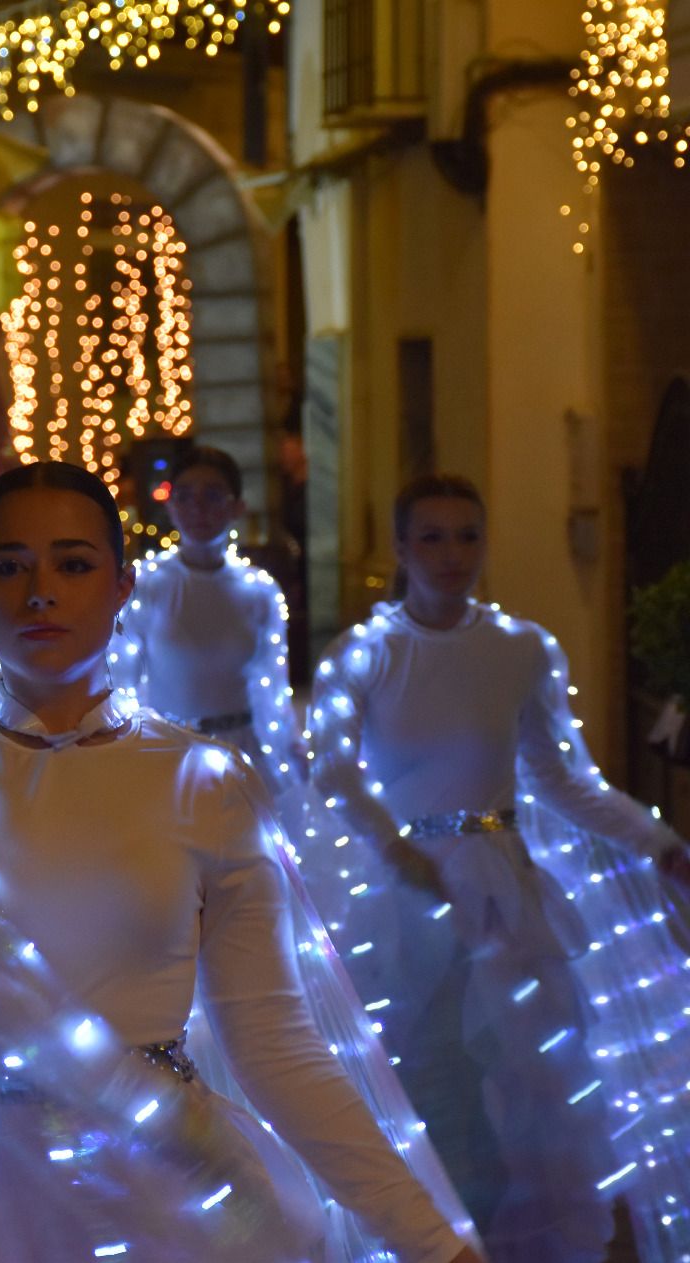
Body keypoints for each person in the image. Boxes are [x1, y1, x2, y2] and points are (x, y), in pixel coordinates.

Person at [0, 461, 483, 1262]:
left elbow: (276, 1040)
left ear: (121, 583)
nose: (41, 591)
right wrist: (163, 1113)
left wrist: (435, 1242)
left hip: (168, 1201)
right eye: (10, 566)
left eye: (73, 564)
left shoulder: (202, 779)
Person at [304, 473, 690, 1262]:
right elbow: (333, 768)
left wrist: (660, 844)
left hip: (504, 887)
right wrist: (396, 849)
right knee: (423, 1068)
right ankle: (438, 1234)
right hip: (403, 891)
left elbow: (562, 777)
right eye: (434, 538)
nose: (453, 555)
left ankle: (514, 1238)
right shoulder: (366, 654)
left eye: (468, 536)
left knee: (531, 1075)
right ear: (403, 549)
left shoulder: (520, 648)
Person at [0, 447, 303, 798]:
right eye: (186, 495)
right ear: (171, 503)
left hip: (242, 749)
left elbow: (269, 686)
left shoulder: (258, 591)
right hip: (167, 756)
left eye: (212, 496)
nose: (199, 508)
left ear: (236, 507)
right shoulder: (151, 584)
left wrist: (288, 757)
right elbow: (123, 676)